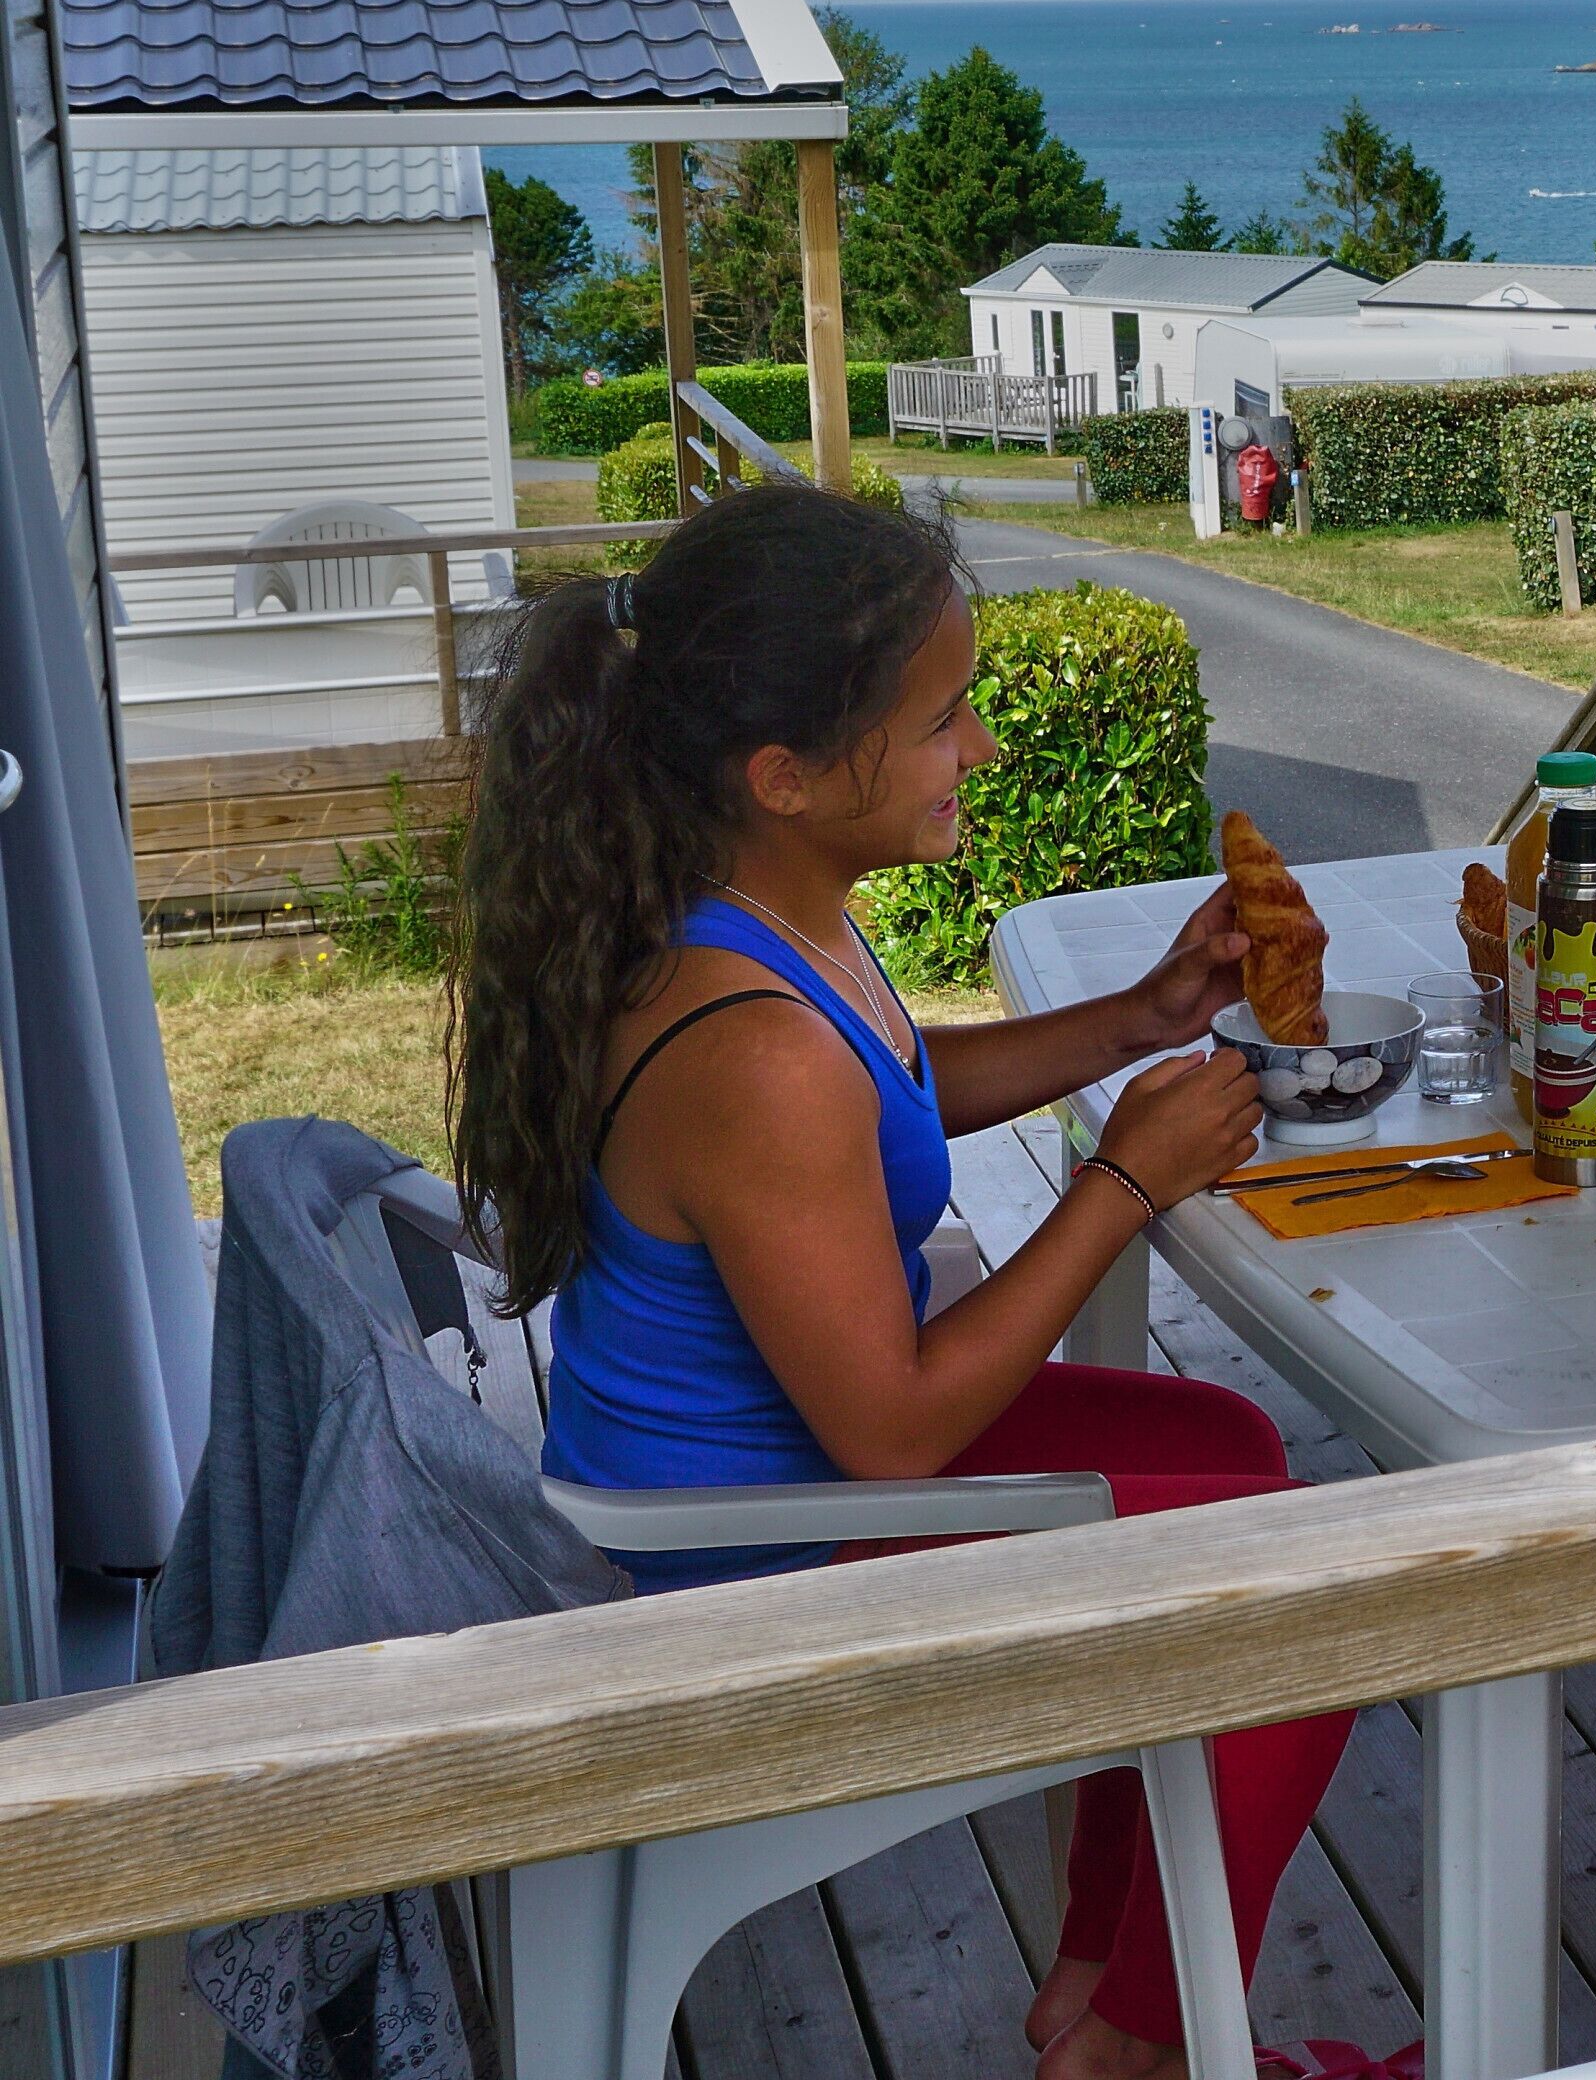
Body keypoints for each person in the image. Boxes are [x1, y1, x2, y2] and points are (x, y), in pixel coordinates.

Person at [451, 485, 1343, 2080]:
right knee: (1310, 1596)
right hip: (751, 1570)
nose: (982, 753)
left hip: (779, 1474)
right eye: (944, 723)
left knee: (1239, 1457)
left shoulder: (762, 925)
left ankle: (1095, 1979)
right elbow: (896, 1438)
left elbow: (908, 1085)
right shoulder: (754, 1049)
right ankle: (1137, 2044)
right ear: (783, 777)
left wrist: (1141, 1016)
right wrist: (1125, 1182)